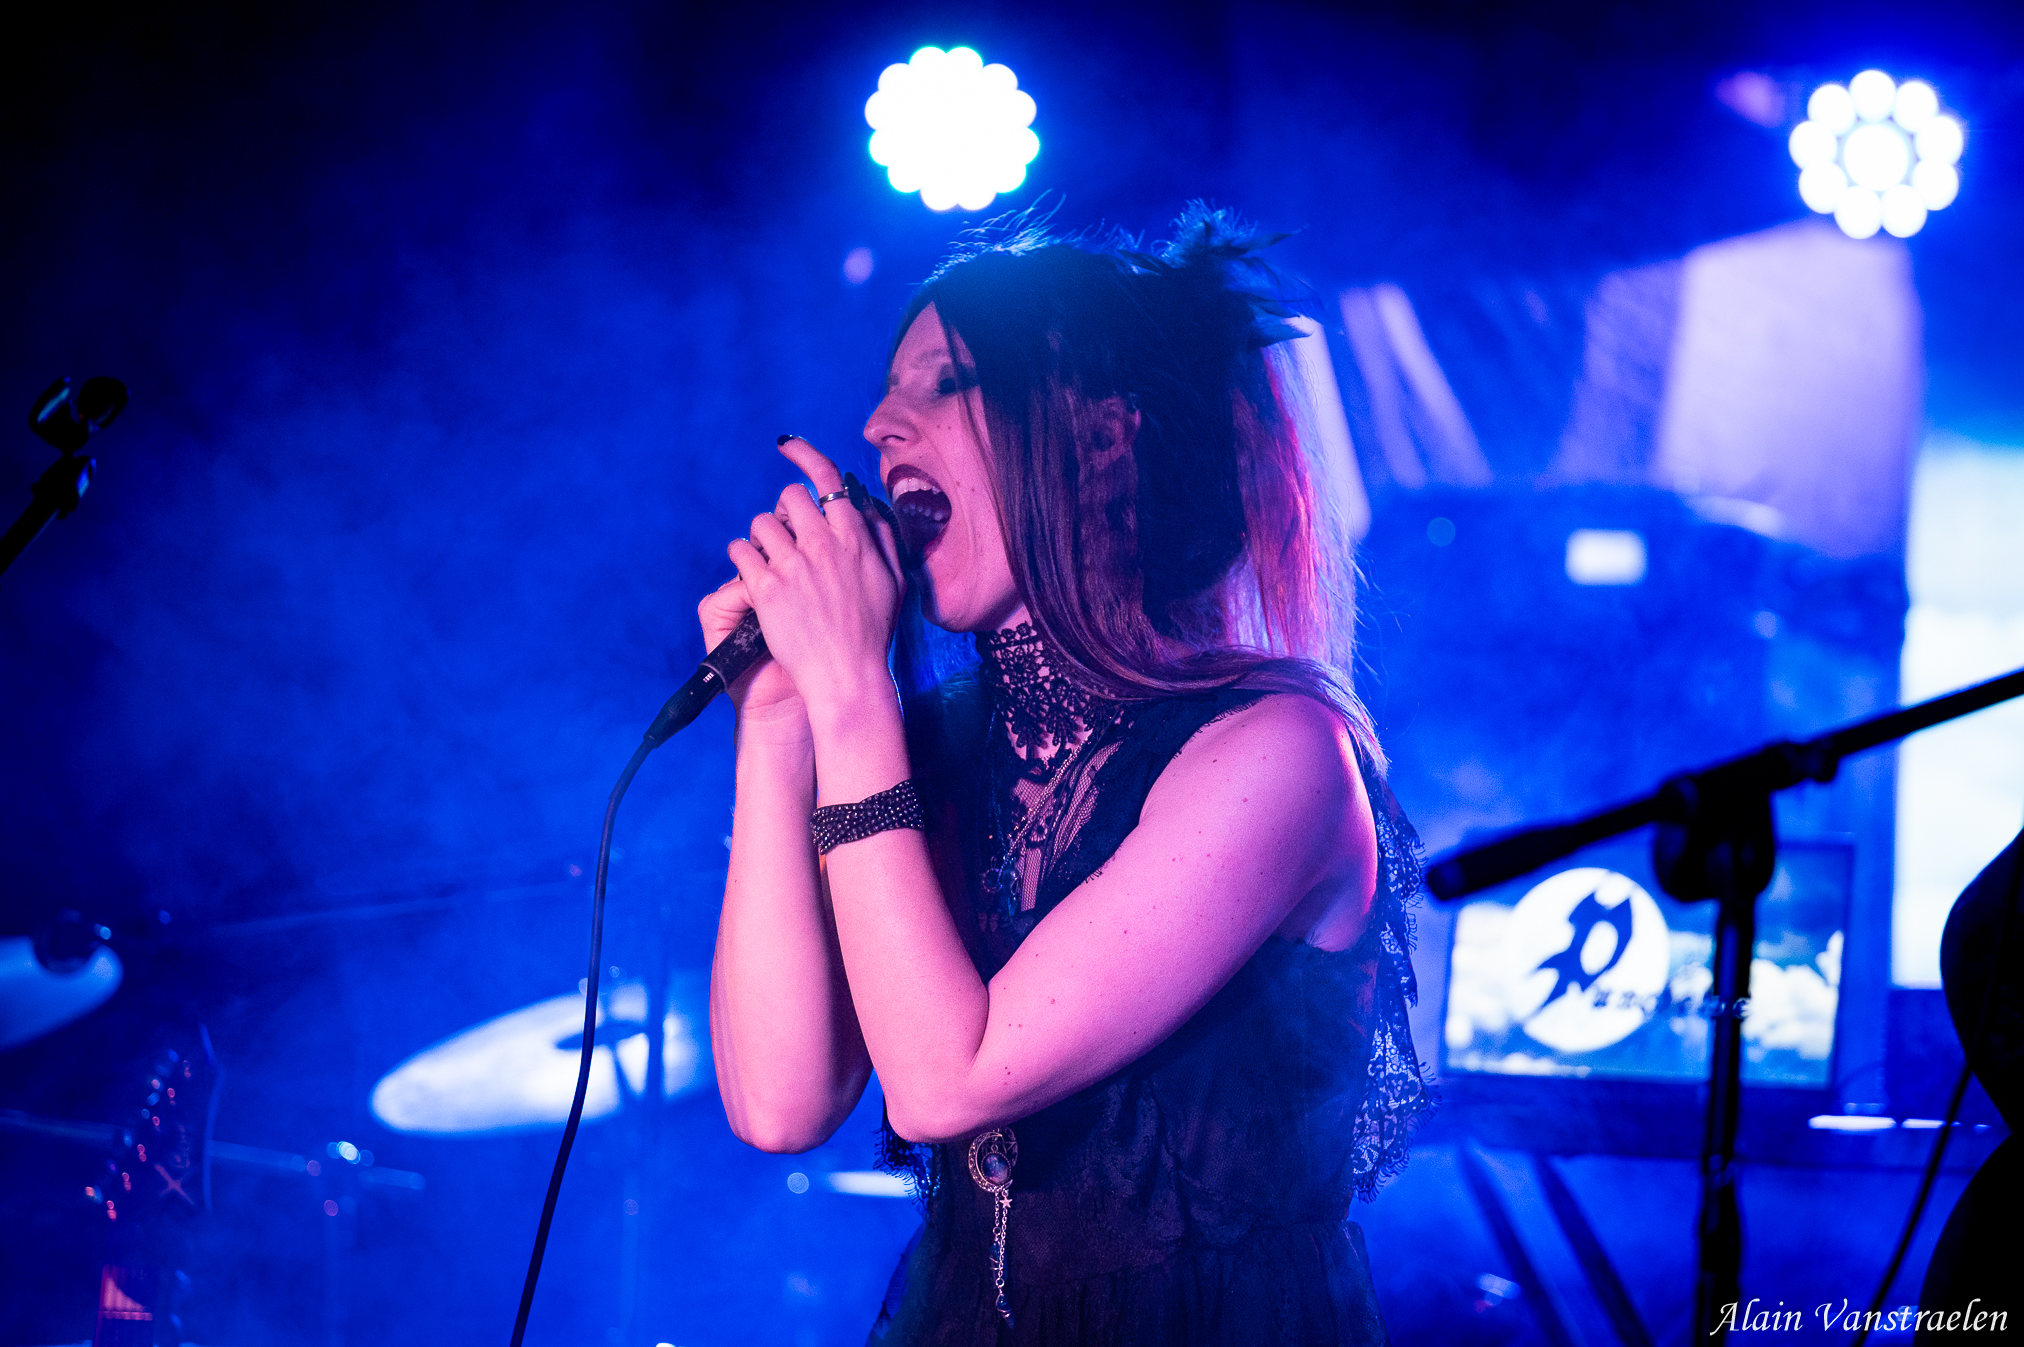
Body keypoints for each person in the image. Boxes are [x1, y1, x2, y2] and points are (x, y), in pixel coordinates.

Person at [701, 208, 1430, 1345]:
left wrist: (849, 695)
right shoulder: (928, 748)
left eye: (948, 382)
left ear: (1101, 438)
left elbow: (946, 1081)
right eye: (887, 393)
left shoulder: (1276, 752)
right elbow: (778, 1101)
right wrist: (779, 720)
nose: (878, 427)